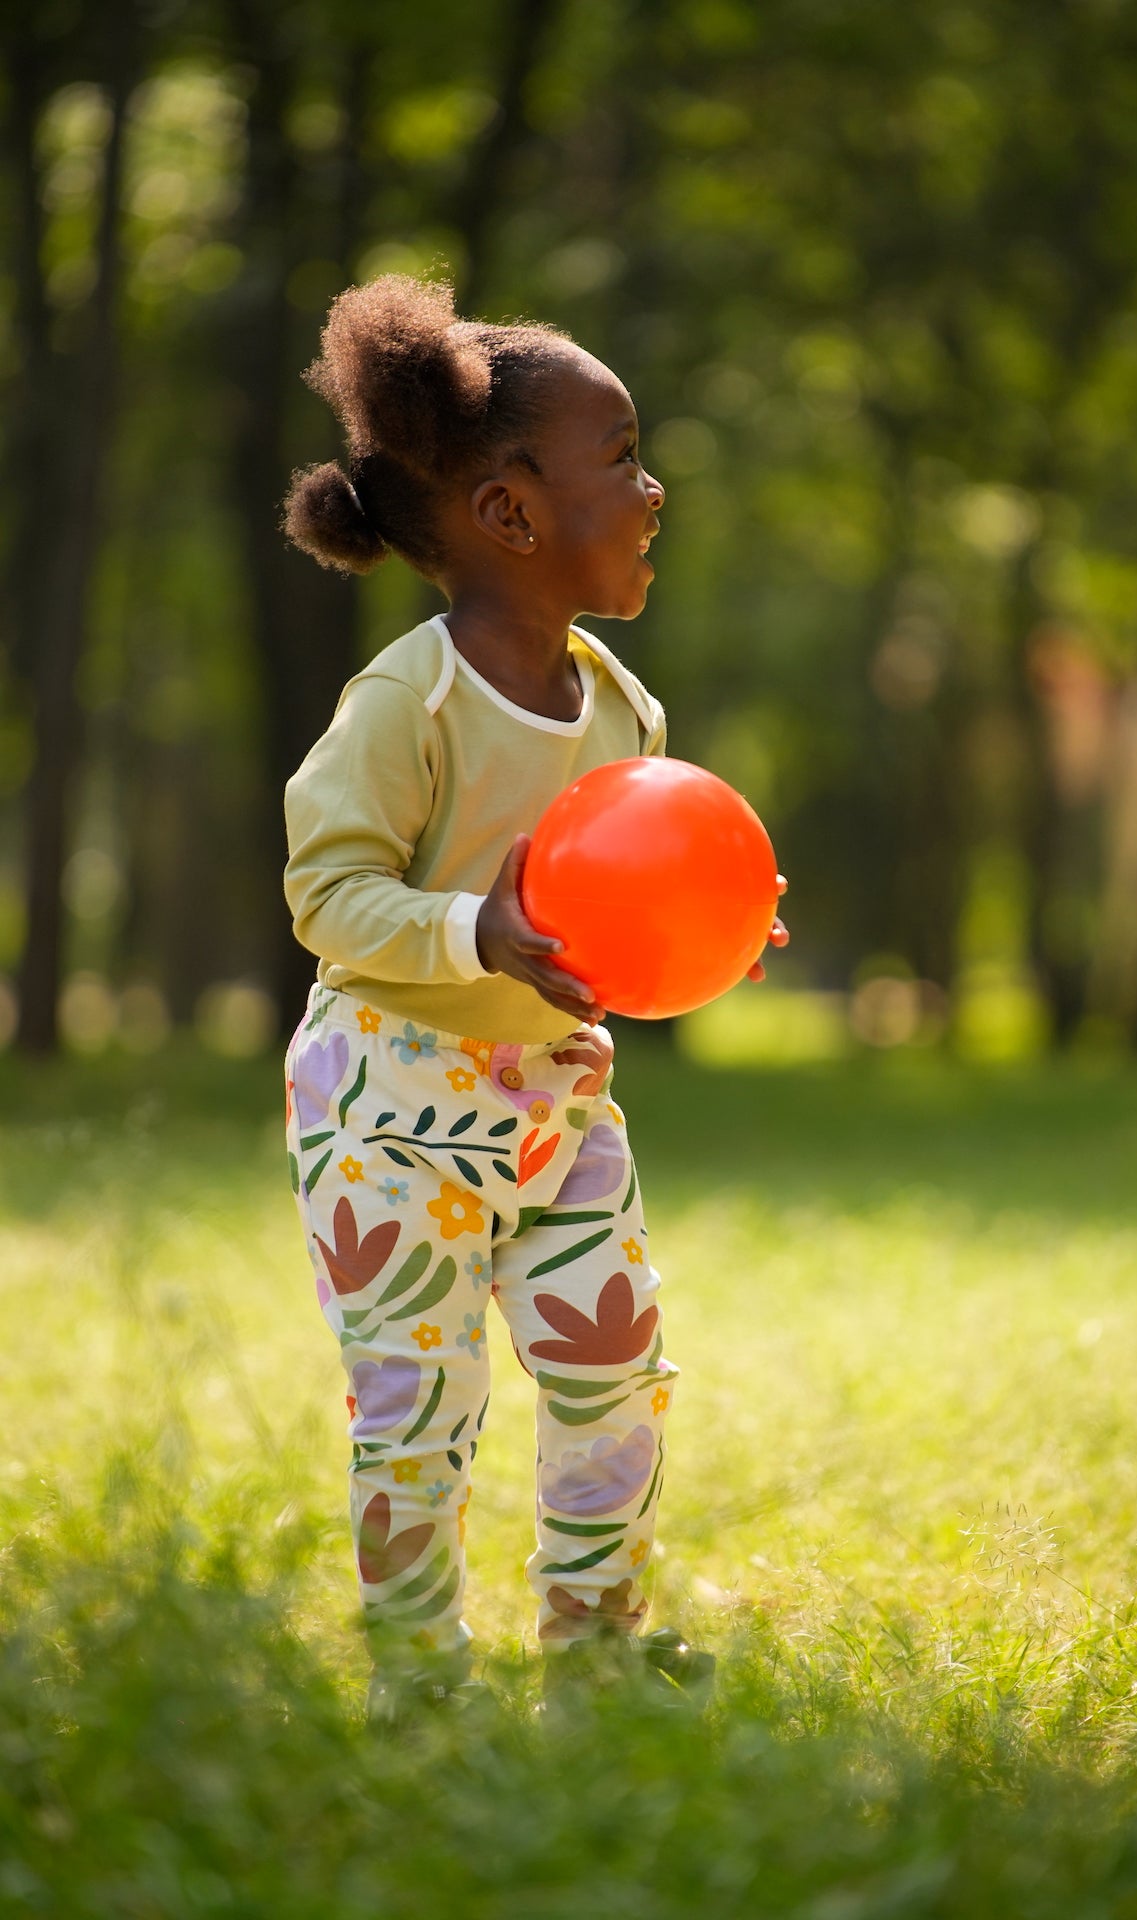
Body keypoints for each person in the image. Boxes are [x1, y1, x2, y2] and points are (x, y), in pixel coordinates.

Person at [279, 275, 786, 1717]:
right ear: (510, 512)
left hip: (557, 1102)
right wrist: (473, 929)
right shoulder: (406, 706)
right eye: (622, 455)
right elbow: (326, 897)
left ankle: (597, 1642)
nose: (653, 485)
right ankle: (418, 1680)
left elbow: (628, 902)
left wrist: (716, 930)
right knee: (417, 1419)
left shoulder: (627, 712)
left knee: (617, 1366)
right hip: (389, 1112)